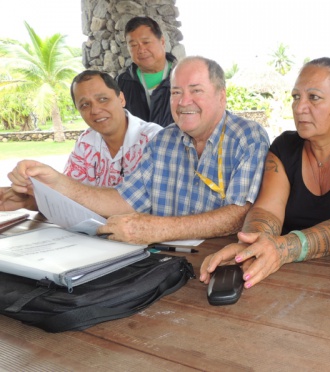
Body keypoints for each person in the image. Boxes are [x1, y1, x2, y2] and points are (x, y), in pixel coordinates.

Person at [6, 56, 271, 245]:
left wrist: (158, 229)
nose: (183, 102)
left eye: (196, 91)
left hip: (220, 259)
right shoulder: (164, 141)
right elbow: (125, 200)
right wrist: (57, 182)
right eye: (176, 92)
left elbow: (239, 215)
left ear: (221, 95)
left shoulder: (247, 137)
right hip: (164, 259)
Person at [200, 57, 330, 289]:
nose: (299, 107)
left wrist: (282, 248)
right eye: (296, 97)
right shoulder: (285, 147)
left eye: (314, 98)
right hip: (282, 276)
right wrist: (253, 246)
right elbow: (266, 210)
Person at [0, 70, 162, 210]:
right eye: (85, 105)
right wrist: (26, 200)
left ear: (121, 99)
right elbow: (68, 198)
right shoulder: (86, 142)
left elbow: (148, 206)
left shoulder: (154, 140)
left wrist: (59, 183)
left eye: (103, 99)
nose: (96, 110)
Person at [116, 16, 175, 127]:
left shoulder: (183, 77)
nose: (141, 50)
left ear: (162, 41)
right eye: (133, 45)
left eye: (146, 42)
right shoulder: (122, 82)